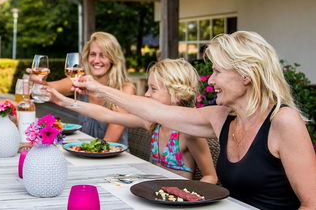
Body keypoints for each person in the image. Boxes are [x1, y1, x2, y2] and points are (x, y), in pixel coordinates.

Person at [71, 31, 316, 209]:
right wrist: (98, 89)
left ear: (246, 75)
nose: (210, 81)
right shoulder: (222, 117)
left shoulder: (283, 121)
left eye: (218, 72)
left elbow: (311, 203)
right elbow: (155, 112)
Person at [48, 59, 218, 183]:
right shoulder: (153, 123)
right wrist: (66, 102)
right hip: (152, 194)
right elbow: (107, 115)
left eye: (153, 89)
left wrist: (189, 196)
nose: (146, 94)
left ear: (178, 95)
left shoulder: (189, 132)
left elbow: (210, 176)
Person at [31, 32, 135, 144]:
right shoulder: (80, 81)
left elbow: (109, 141)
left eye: (103, 55)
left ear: (113, 58)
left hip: (114, 157)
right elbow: (46, 90)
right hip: (84, 152)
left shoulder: (125, 89)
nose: (96, 60)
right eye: (93, 54)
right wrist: (40, 82)